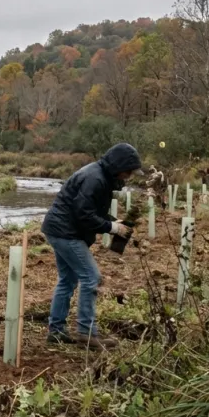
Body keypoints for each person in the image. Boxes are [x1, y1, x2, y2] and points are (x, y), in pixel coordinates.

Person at [41, 142, 143, 350]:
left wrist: (114, 222)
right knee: (91, 278)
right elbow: (84, 214)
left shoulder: (100, 175)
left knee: (68, 280)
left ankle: (57, 331)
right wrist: (111, 228)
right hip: (66, 232)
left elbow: (91, 210)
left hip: (59, 229)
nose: (129, 177)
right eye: (128, 172)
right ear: (119, 166)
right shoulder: (95, 179)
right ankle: (86, 334)